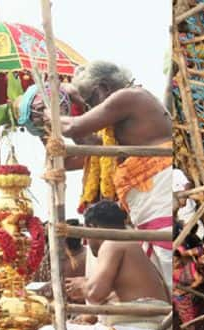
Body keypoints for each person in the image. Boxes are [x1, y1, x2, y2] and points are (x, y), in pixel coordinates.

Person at [55, 61, 173, 281]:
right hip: (145, 193)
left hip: (158, 182)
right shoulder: (120, 114)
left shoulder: (128, 97)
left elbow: (73, 127)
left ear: (104, 88)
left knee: (167, 256)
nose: (92, 109)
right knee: (159, 261)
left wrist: (48, 112)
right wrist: (74, 105)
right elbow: (88, 140)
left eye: (90, 100)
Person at [34, 201, 171, 330]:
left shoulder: (112, 243)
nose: (86, 241)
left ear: (92, 227)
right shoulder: (132, 246)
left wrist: (83, 285)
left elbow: (94, 293)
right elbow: (103, 303)